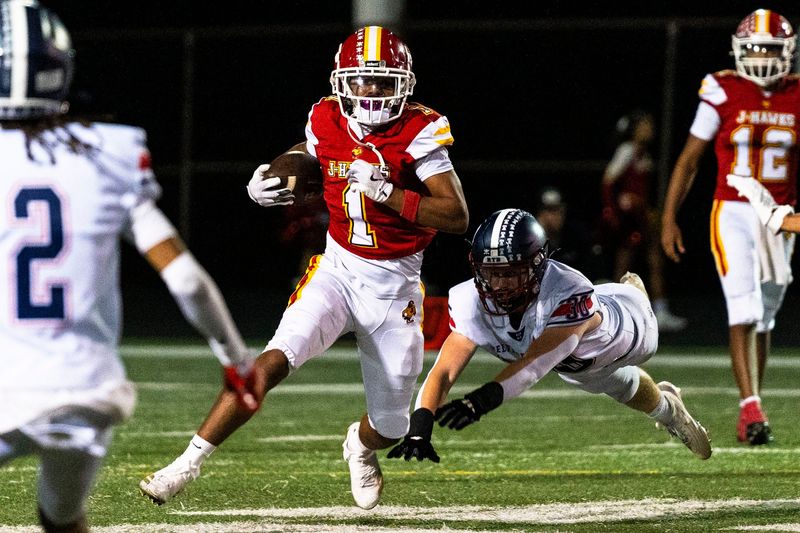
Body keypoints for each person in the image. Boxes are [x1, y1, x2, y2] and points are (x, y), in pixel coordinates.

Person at [139, 25, 469, 509]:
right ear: (343, 82)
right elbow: (304, 154)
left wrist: (390, 193)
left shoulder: (419, 130)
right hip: (337, 269)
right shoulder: (326, 115)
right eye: (362, 80)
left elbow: (456, 215)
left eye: (383, 81)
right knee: (271, 361)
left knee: (393, 424)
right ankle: (185, 464)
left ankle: (358, 446)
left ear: (404, 84)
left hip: (396, 287)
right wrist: (267, 177)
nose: (372, 91)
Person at [0, 2, 255, 532]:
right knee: (63, 520)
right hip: (86, 392)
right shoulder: (106, 152)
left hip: (6, 384)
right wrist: (237, 362)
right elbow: (185, 277)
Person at [386, 209, 711, 464]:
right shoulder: (469, 299)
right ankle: (672, 412)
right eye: (492, 273)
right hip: (577, 366)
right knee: (621, 387)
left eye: (511, 273)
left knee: (630, 356)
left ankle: (631, 292)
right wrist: (420, 425)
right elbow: (444, 369)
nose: (499, 285)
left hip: (625, 331)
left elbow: (535, 364)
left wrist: (481, 401)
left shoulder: (566, 289)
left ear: (537, 266)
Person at [660, 8, 799, 445]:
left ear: (789, 52)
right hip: (734, 210)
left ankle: (754, 398)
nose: (761, 56)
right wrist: (669, 217)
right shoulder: (722, 88)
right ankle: (750, 409)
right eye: (755, 47)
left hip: (780, 214)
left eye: (770, 49)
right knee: (744, 307)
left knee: (766, 315)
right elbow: (689, 160)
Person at [601, 110, 687, 332]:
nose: (649, 128)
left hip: (641, 215)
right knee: (625, 263)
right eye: (644, 125)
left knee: (654, 260)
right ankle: (612, 309)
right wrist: (613, 209)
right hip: (629, 218)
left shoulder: (643, 154)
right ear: (633, 129)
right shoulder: (627, 150)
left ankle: (660, 311)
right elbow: (609, 181)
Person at [534, 186, 603, 283]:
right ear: (540, 214)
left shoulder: (576, 235)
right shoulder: (532, 240)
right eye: (550, 210)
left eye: (558, 210)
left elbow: (590, 271)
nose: (555, 216)